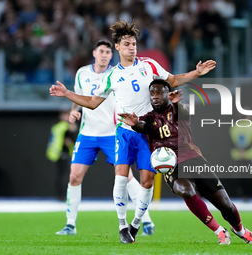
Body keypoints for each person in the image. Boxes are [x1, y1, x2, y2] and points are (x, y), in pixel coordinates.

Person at [49, 19, 216, 244]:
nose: (132, 47)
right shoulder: (111, 77)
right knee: (121, 177)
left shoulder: (149, 65)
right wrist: (67, 93)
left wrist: (196, 73)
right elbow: (91, 102)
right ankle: (121, 225)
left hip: (149, 132)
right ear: (117, 46)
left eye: (134, 43)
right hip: (125, 132)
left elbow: (173, 80)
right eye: (127, 44)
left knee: (146, 181)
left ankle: (136, 224)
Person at [118, 79, 252, 245]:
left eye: (159, 93)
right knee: (184, 190)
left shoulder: (178, 109)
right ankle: (219, 231)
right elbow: (142, 126)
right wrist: (135, 124)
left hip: (194, 160)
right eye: (152, 93)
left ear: (168, 94)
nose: (155, 97)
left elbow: (185, 112)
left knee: (226, 205)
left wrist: (177, 103)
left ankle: (240, 231)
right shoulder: (149, 118)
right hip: (172, 166)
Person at [55, 39, 155, 236]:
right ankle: (70, 225)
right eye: (101, 51)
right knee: (74, 177)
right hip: (87, 134)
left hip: (111, 133)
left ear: (112, 55)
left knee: (127, 178)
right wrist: (74, 111)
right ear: (94, 53)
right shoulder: (82, 73)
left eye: (108, 52)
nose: (104, 55)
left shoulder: (116, 74)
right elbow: (79, 94)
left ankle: (147, 221)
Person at [46, 109, 78, 201]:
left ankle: (62, 196)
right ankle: (62, 196)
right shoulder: (64, 126)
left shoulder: (58, 126)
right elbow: (68, 139)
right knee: (63, 176)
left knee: (62, 175)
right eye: (66, 115)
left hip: (60, 153)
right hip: (62, 154)